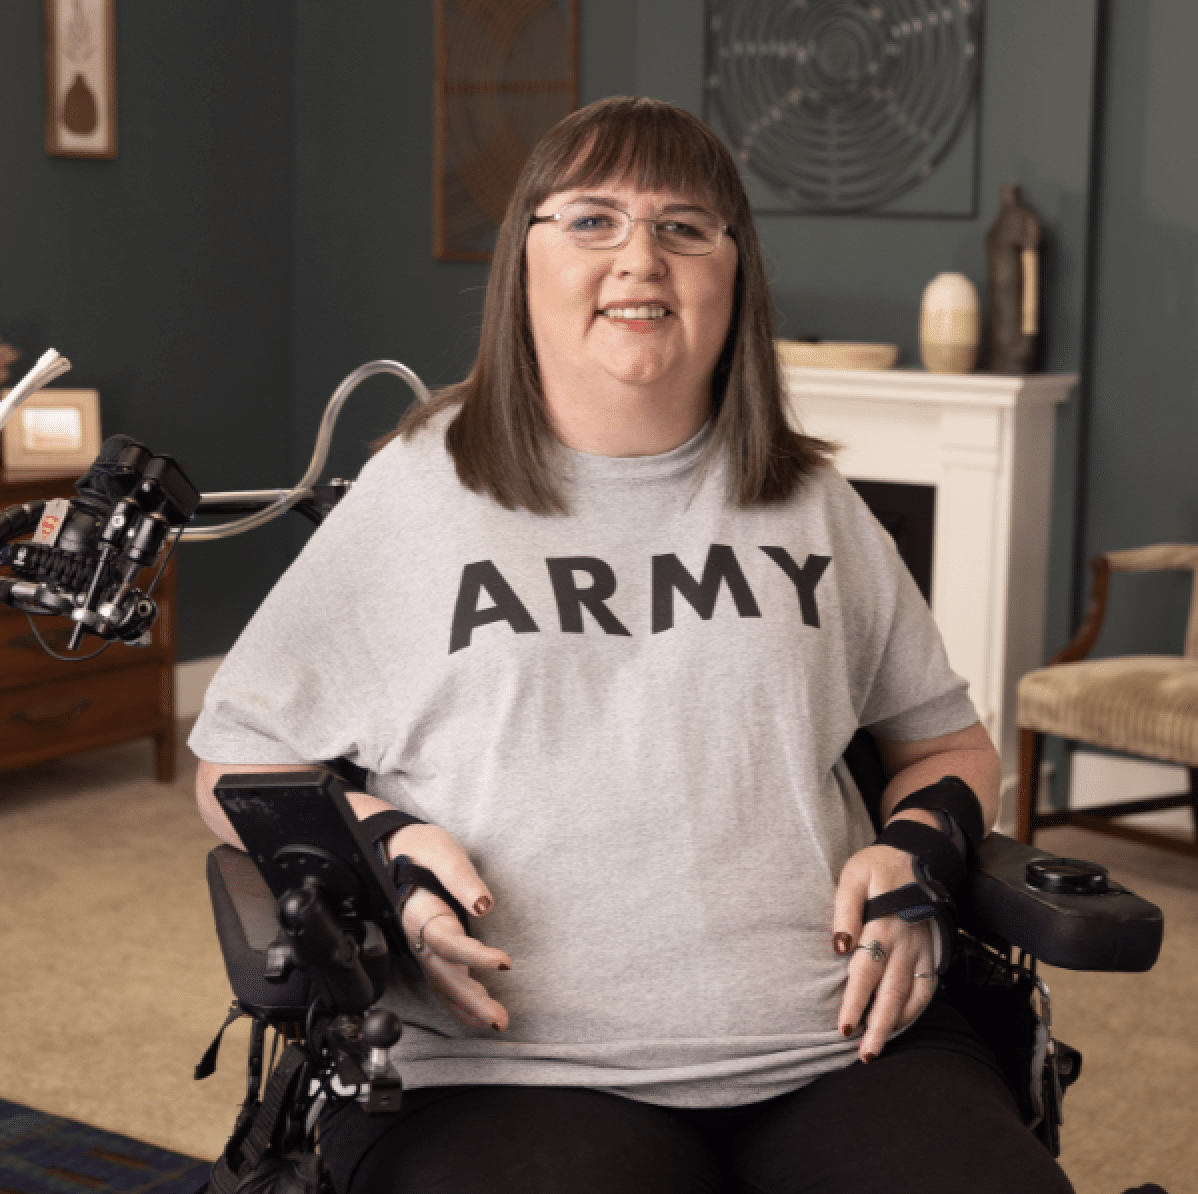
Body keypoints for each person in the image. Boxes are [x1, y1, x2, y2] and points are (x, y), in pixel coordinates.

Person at [191, 97, 1073, 1193]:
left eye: (684, 226)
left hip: (838, 1041)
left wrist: (915, 862)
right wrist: (388, 847)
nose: (638, 258)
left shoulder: (811, 502)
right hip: (507, 1067)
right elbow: (240, 769)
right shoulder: (417, 492)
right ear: (524, 262)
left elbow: (947, 745)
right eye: (591, 220)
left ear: (733, 272)